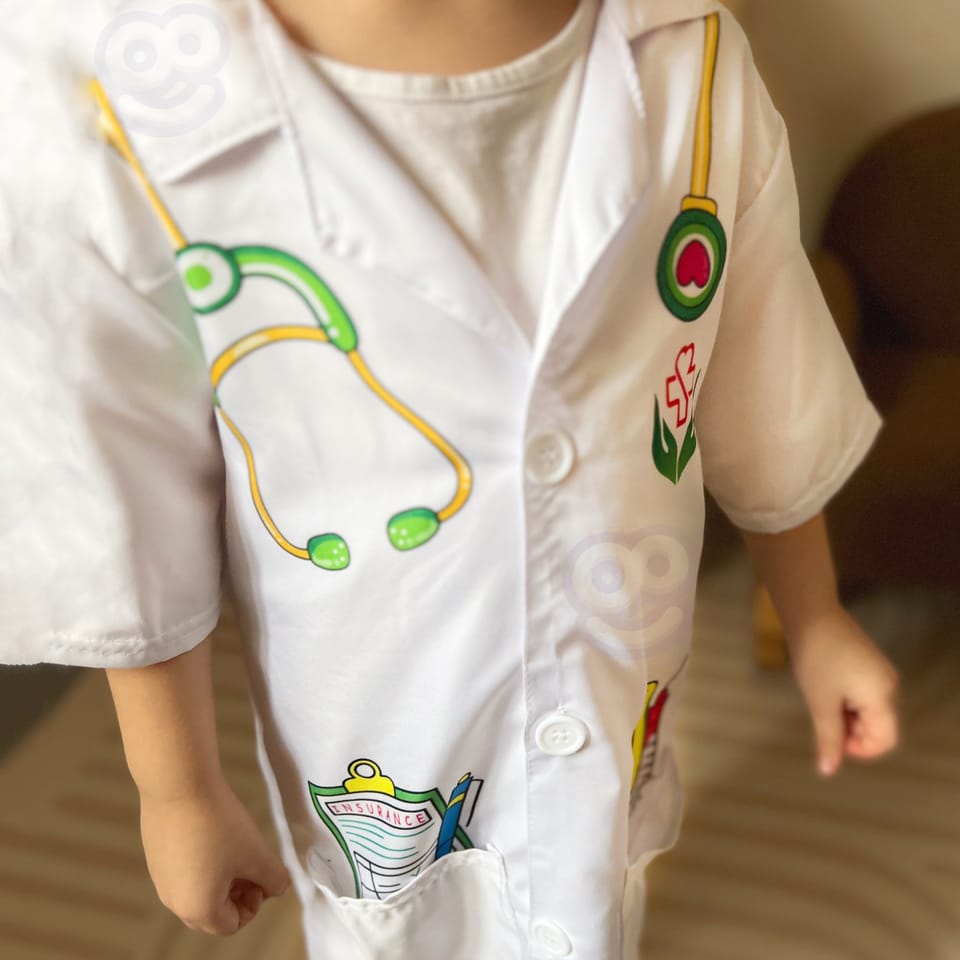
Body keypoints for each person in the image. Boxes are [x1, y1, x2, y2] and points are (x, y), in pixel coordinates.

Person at [0, 0, 900, 957]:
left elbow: (758, 362)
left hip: (620, 674)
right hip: (374, 731)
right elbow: (118, 473)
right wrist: (175, 785)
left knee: (596, 883)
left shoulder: (694, 54)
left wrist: (813, 615)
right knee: (396, 929)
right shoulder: (107, 91)